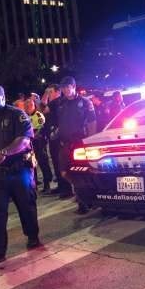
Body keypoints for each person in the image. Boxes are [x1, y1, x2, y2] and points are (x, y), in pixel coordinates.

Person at [0, 84, 40, 265]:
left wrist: (4, 152)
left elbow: (24, 140)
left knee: (26, 206)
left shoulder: (17, 115)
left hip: (18, 170)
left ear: (3, 97)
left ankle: (32, 236)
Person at [55, 76, 97, 214]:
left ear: (73, 87)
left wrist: (90, 141)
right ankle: (85, 195)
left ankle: (84, 202)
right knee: (64, 172)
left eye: (68, 87)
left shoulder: (85, 102)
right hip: (65, 143)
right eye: (63, 87)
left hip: (80, 142)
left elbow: (92, 122)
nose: (65, 90)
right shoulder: (61, 103)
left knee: (80, 173)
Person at [42, 84, 69, 195]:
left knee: (60, 163)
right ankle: (61, 186)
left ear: (58, 91)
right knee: (56, 163)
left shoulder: (56, 102)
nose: (49, 94)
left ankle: (65, 188)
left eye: (51, 92)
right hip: (54, 137)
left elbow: (42, 109)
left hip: (58, 138)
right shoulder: (58, 102)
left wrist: (44, 94)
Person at [24, 98, 53, 193]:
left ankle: (47, 184)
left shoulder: (38, 115)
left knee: (43, 163)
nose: (28, 107)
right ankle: (34, 184)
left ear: (34, 105)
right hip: (29, 144)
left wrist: (32, 136)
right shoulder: (24, 116)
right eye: (26, 105)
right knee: (31, 164)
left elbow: (41, 129)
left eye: (30, 105)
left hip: (39, 143)